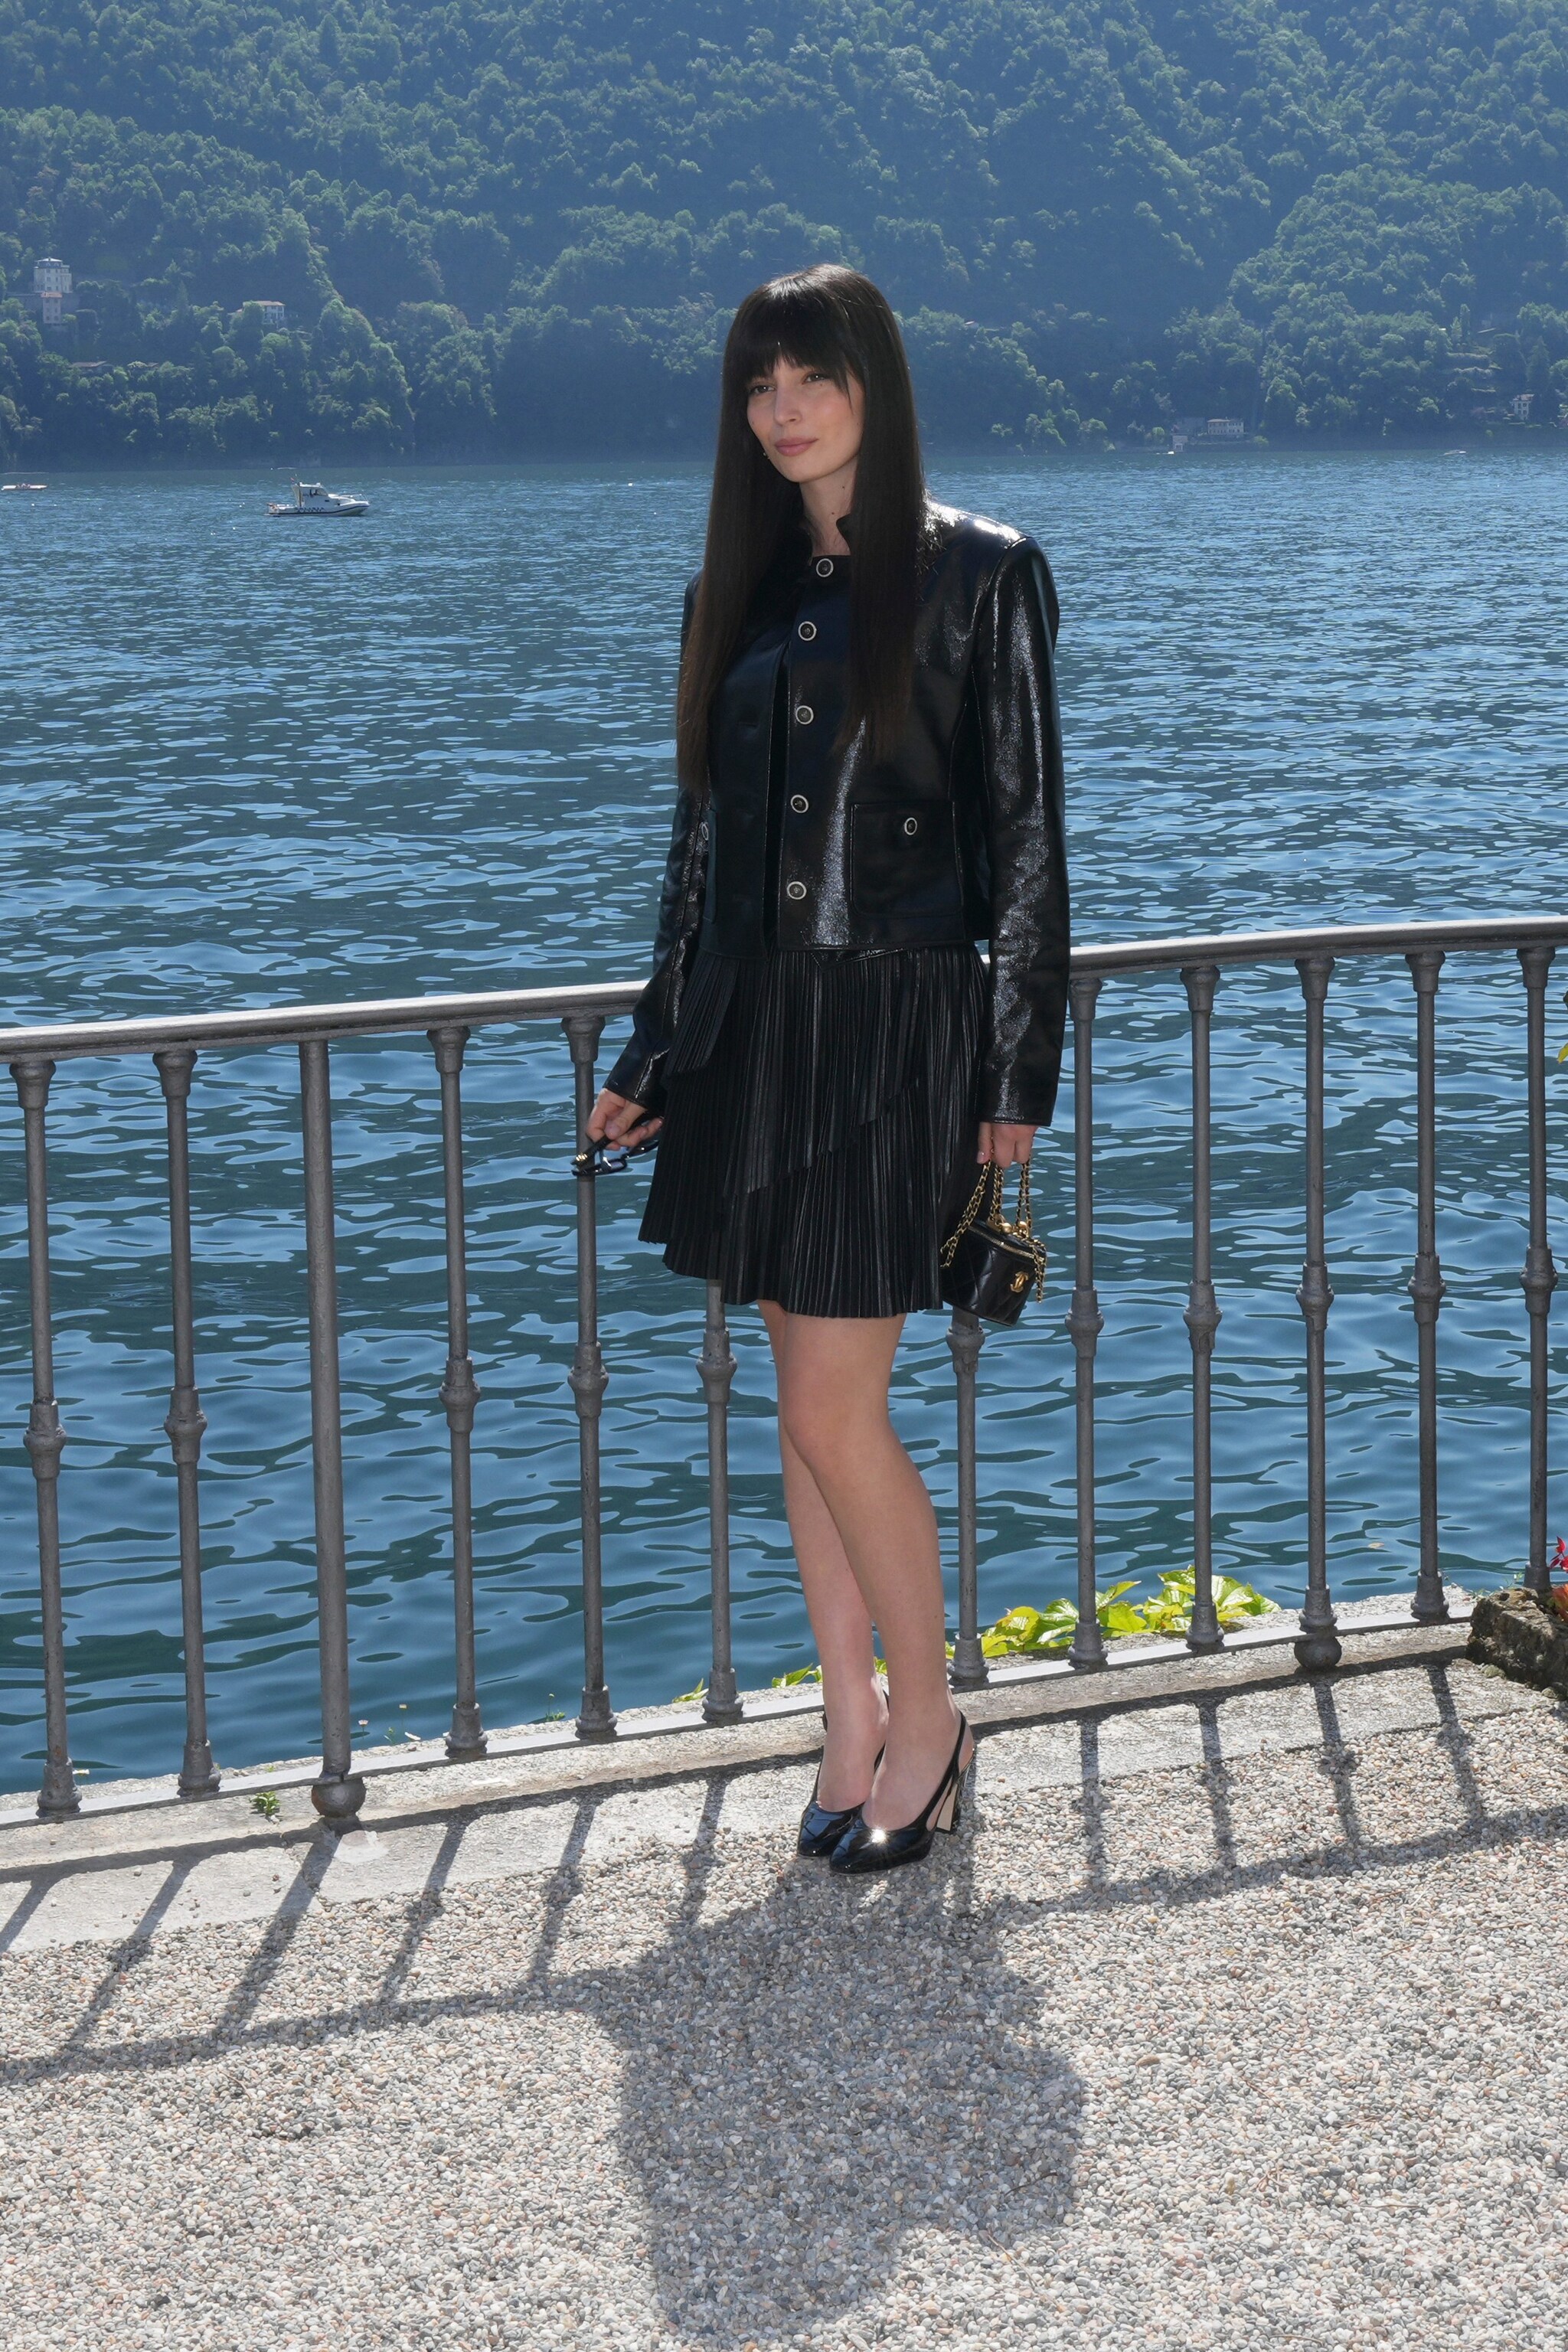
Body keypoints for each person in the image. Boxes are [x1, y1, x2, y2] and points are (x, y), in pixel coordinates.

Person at [587, 264, 1068, 1873]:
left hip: (895, 1025)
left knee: (830, 1406)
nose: (782, 410)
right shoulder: (734, 589)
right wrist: (657, 1046)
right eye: (759, 385)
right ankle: (848, 1721)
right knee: (802, 1415)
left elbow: (1029, 847)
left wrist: (1015, 1079)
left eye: (813, 379)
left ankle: (931, 1722)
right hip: (755, 1032)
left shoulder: (983, 574)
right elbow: (700, 853)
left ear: (876, 387)